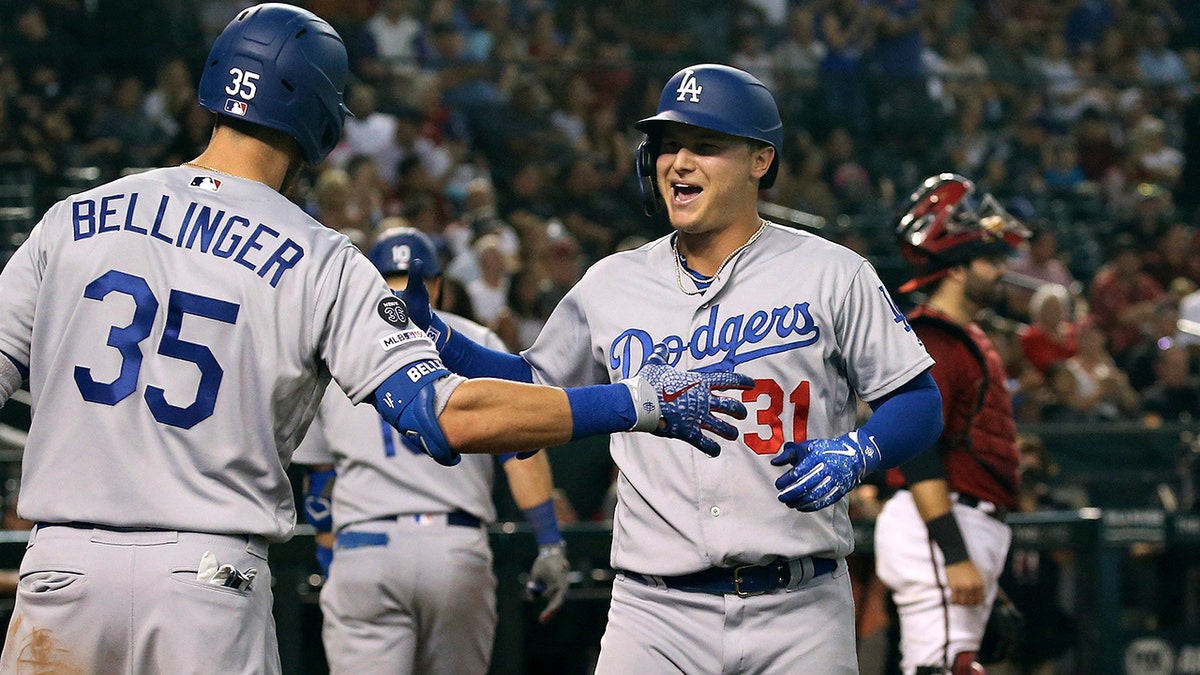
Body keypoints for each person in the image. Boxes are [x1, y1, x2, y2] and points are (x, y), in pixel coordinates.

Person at [0, 9, 748, 674]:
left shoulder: (73, 217)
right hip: (204, 583)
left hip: (60, 574)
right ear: (325, 122)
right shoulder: (318, 255)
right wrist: (635, 401)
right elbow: (449, 416)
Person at [399, 63, 943, 673]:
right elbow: (533, 388)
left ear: (761, 160)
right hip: (653, 612)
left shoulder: (831, 272)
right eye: (667, 145)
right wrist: (441, 337)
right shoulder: (612, 281)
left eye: (706, 146)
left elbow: (919, 401)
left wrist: (860, 452)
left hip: (801, 606)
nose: (679, 162)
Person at [294, 226, 571, 675]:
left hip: (366, 548)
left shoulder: (337, 350)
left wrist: (330, 562)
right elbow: (522, 452)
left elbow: (321, 480)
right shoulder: (476, 342)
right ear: (438, 284)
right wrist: (549, 542)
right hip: (454, 548)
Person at [876, 173, 1029, 675]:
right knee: (945, 667)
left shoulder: (959, 335)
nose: (1001, 270)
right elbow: (917, 452)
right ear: (958, 271)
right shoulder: (934, 338)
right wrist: (955, 555)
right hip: (941, 526)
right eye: (989, 260)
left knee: (945, 663)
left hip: (958, 527)